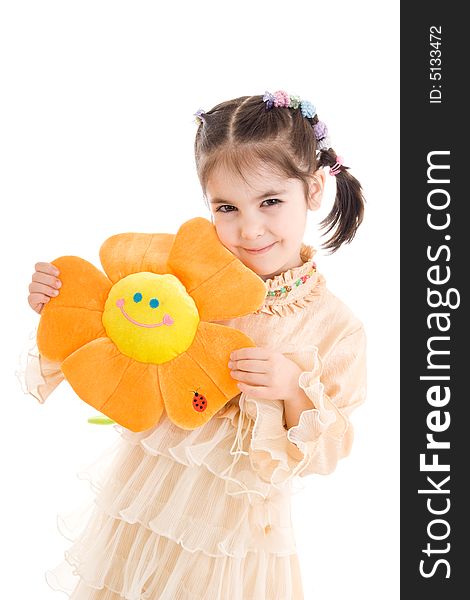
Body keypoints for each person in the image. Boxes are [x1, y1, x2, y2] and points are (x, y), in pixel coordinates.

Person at [22, 90, 367, 599]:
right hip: (145, 508)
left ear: (313, 188)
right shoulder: (182, 282)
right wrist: (60, 302)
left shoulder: (334, 327)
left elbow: (327, 448)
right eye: (226, 207)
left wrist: (294, 389)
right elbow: (107, 340)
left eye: (270, 201)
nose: (249, 228)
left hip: (236, 541)